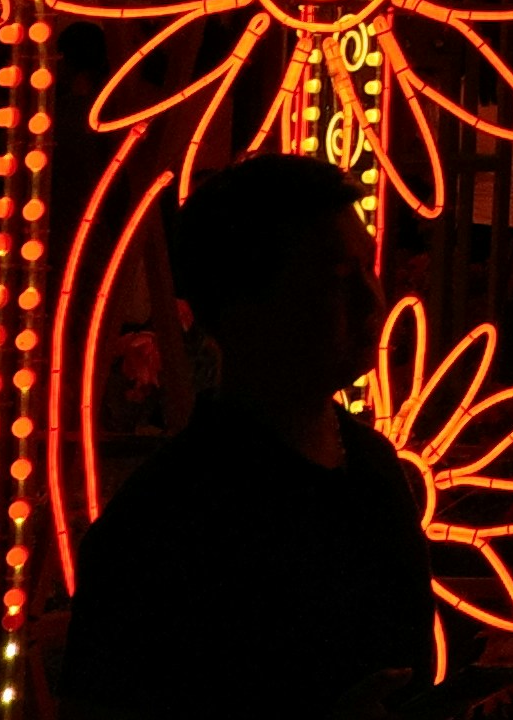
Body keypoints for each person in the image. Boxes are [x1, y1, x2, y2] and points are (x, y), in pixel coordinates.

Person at [61, 150, 440, 720]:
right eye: (336, 278)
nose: (371, 300)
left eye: (369, 267)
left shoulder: (373, 467)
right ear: (244, 307)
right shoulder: (166, 522)